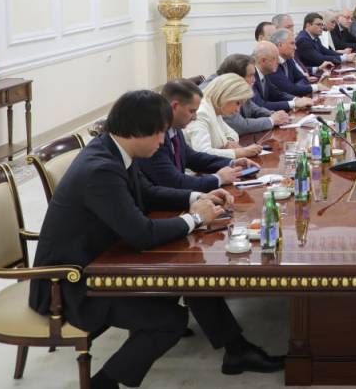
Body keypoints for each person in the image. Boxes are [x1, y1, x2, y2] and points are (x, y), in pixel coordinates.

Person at [30, 90, 283, 389]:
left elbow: (147, 193)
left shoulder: (113, 149)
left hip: (104, 258)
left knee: (194, 275)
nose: (163, 141)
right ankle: (102, 383)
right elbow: (142, 234)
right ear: (138, 130)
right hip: (70, 283)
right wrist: (195, 219)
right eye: (160, 133)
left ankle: (236, 351)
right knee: (169, 321)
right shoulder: (100, 169)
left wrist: (197, 197)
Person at [137, 79, 256, 191]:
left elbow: (192, 157)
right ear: (175, 106)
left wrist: (231, 163)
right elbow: (173, 182)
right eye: (192, 111)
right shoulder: (153, 136)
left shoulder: (175, 127)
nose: (195, 117)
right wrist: (218, 178)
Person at [205, 54, 290, 135]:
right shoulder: (220, 89)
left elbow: (251, 108)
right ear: (236, 76)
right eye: (251, 75)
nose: (254, 80)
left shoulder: (234, 86)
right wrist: (271, 120)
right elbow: (239, 126)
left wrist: (273, 115)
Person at [186, 74, 265, 159]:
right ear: (226, 95)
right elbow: (202, 153)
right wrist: (240, 152)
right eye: (238, 103)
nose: (238, 110)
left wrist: (228, 142)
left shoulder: (215, 110)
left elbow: (233, 133)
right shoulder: (201, 113)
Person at [251, 41, 313, 112]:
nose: (278, 62)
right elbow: (261, 105)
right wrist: (294, 104)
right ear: (263, 61)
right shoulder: (250, 77)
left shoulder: (264, 73)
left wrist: (297, 100)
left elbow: (277, 94)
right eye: (274, 58)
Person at [270, 29, 325, 97]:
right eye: (292, 43)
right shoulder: (272, 63)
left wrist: (296, 88)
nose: (295, 48)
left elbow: (302, 78)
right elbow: (289, 89)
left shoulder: (288, 59)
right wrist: (315, 87)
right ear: (280, 45)